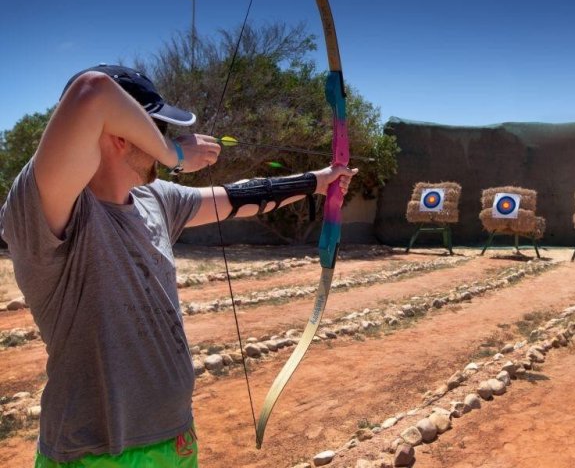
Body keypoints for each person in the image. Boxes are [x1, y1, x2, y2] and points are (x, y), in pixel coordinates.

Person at [0, 64, 357, 467]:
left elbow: (236, 198)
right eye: (157, 131)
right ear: (120, 134)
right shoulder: (46, 212)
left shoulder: (156, 199)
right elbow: (93, 91)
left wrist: (320, 180)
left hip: (175, 440)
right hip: (95, 454)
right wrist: (175, 155)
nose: (165, 142)